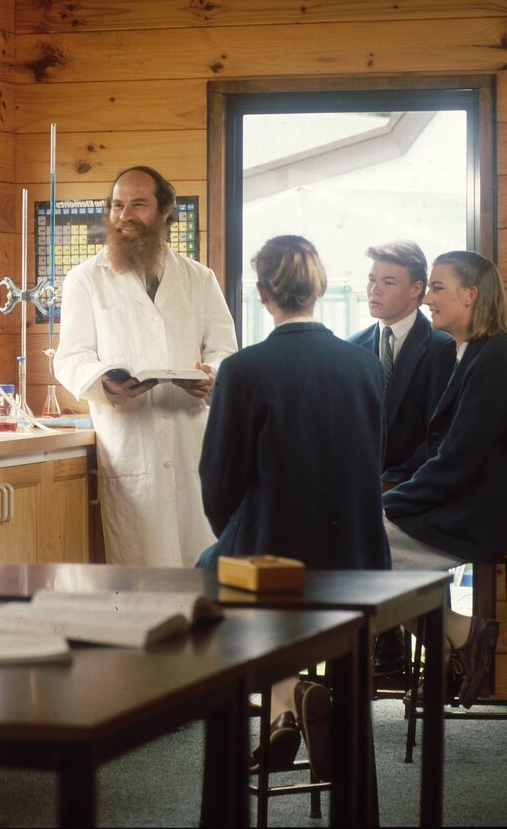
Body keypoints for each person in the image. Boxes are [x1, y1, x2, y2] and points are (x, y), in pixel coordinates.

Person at [197, 235, 390, 780]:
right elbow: (371, 464)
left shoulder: (243, 370)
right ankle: (291, 703)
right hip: (358, 565)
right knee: (243, 571)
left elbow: (218, 481)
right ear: (321, 288)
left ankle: (282, 702)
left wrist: (240, 535)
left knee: (211, 572)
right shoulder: (366, 367)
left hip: (274, 561)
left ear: (262, 293)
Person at [53, 166, 238, 567]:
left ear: (164, 213)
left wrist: (212, 375)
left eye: (138, 204)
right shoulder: (85, 280)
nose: (125, 215)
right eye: (118, 205)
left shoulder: (198, 278)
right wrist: (104, 381)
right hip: (131, 447)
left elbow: (224, 348)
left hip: (193, 444)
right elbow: (71, 356)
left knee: (201, 574)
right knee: (142, 583)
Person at [383, 251, 507, 709]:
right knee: (365, 544)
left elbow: (457, 460)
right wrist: (393, 488)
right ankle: (457, 644)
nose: (428, 298)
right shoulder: (471, 351)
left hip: (484, 514)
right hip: (464, 502)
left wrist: (389, 505)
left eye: (437, 288)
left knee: (361, 544)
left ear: (470, 296)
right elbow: (439, 452)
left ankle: (457, 637)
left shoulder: (496, 358)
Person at [348, 241, 456, 676]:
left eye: (387, 281)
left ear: (416, 290)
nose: (375, 289)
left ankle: (421, 653)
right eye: (372, 279)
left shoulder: (442, 347)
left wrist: (393, 481)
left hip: (418, 488)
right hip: (367, 489)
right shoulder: (353, 347)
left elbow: (439, 437)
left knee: (373, 531)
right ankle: (384, 645)